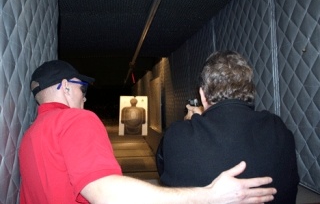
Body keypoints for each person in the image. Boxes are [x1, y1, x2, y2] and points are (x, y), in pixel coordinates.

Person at [19, 59, 277, 204]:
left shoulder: (30, 136)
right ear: (65, 87)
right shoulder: (77, 120)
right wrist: (210, 195)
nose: (84, 98)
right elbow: (106, 194)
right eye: (81, 89)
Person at [156, 50, 299, 203]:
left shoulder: (178, 135)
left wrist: (189, 125)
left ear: (202, 95)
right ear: (250, 92)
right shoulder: (278, 129)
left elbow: (163, 167)